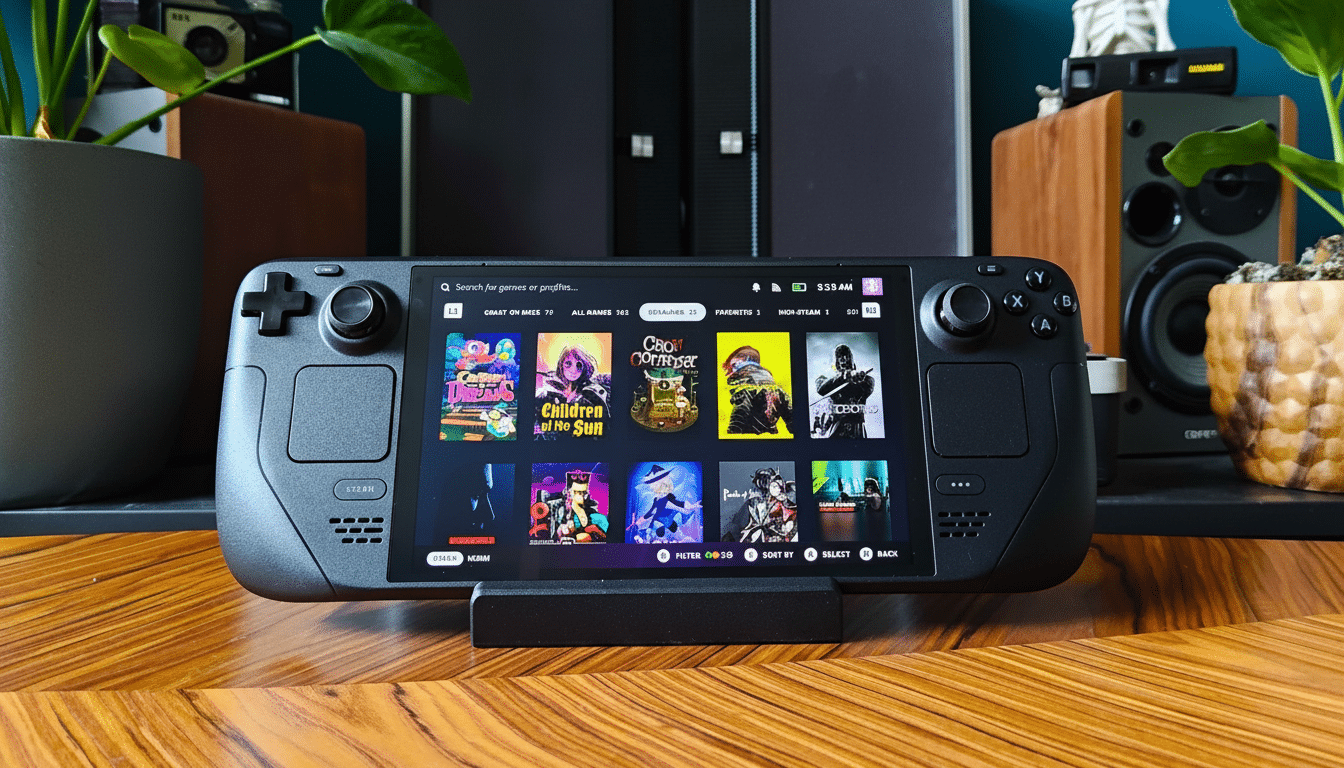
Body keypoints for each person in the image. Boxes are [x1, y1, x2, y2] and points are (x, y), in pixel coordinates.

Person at [722, 345, 792, 435]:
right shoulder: (778, 390)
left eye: (734, 366)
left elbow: (738, 418)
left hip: (745, 441)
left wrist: (731, 435)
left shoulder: (745, 388)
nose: (732, 372)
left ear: (744, 360)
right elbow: (794, 423)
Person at [811, 343, 875, 439]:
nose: (844, 361)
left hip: (857, 429)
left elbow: (869, 385)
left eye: (846, 358)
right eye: (840, 358)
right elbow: (821, 389)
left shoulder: (864, 379)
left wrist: (856, 377)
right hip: (836, 427)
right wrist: (844, 376)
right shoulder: (825, 380)